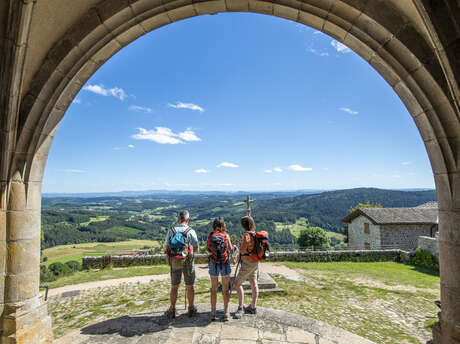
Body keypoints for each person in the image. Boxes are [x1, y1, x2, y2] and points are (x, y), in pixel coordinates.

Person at [164, 210, 199, 319]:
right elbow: (196, 249)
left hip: (175, 262)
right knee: (190, 286)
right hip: (188, 262)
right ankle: (191, 308)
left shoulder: (171, 230)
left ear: (178, 219)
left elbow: (166, 248)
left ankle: (172, 309)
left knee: (174, 287)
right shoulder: (191, 231)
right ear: (187, 219)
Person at [206, 218, 233, 321]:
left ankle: (213, 312)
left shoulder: (210, 236)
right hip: (225, 262)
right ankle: (226, 312)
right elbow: (231, 249)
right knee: (225, 289)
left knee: (214, 289)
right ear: (223, 225)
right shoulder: (226, 236)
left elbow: (207, 249)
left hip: (213, 263)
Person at [232, 216, 259, 319]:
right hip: (255, 262)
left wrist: (240, 246)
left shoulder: (247, 235)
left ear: (244, 225)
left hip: (247, 262)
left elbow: (243, 250)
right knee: (253, 282)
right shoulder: (255, 234)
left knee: (237, 283)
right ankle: (253, 306)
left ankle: (240, 308)